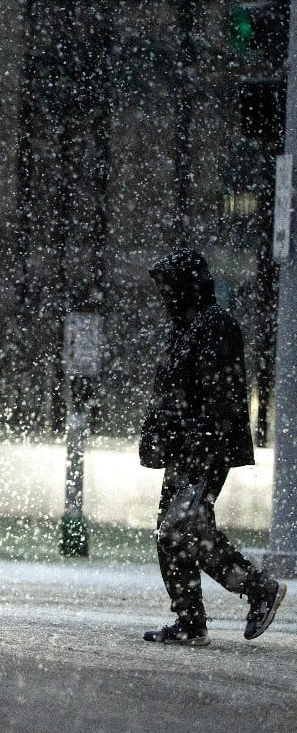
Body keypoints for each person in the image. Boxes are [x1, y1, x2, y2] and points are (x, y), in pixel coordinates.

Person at [139, 246, 284, 646]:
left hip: (204, 449)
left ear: (188, 285)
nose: (165, 295)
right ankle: (191, 621)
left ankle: (257, 590)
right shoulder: (184, 329)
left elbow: (220, 394)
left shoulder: (214, 325)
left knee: (181, 528)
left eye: (170, 285)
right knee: (173, 533)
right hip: (184, 449)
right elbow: (171, 391)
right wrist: (159, 435)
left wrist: (197, 438)